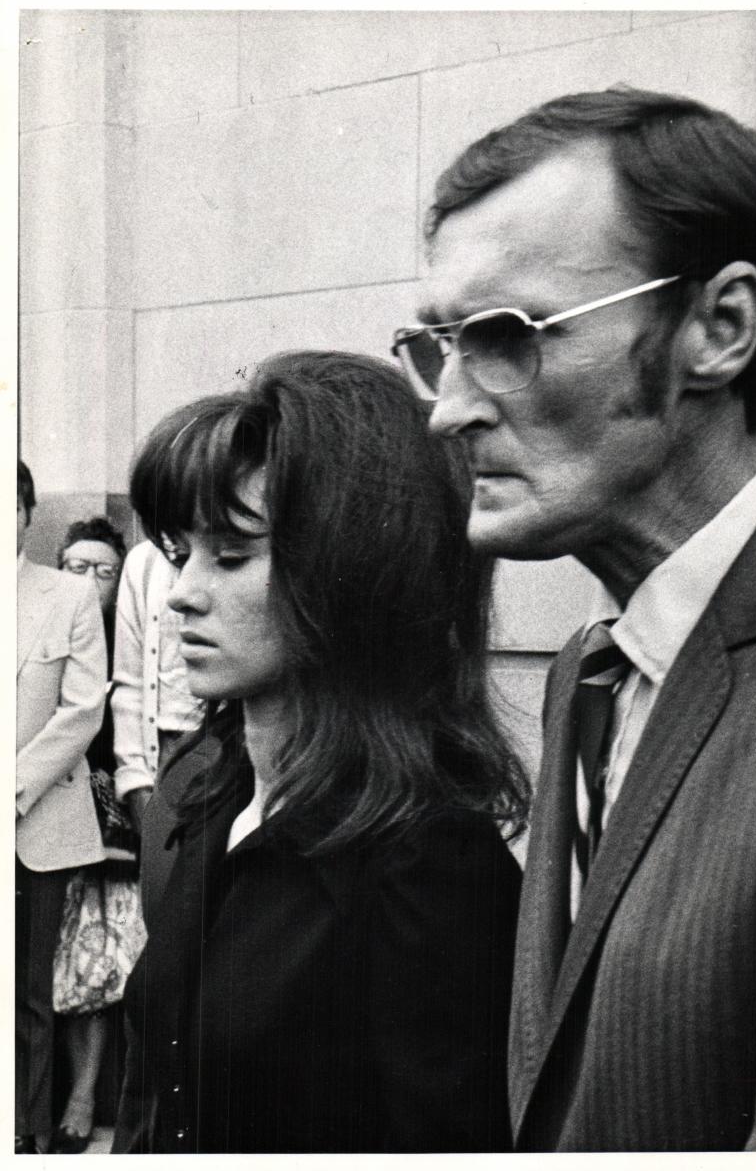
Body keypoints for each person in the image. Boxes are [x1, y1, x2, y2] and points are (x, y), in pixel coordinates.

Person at [393, 87, 756, 1150]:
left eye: (505, 334)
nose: (448, 406)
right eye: (437, 345)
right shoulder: (588, 670)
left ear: (721, 328)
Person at [113, 350, 528, 1153]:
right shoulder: (209, 796)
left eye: (231, 557)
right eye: (182, 555)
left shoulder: (431, 865)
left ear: (350, 578)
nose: (182, 594)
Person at [16, 463, 108, 1155]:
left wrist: (11, 790)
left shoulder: (67, 596)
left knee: (30, 996)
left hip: (33, 821)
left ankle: (30, 1136)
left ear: (25, 514)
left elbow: (82, 709)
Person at [51, 518, 143, 1154]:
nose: (88, 581)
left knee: (105, 962)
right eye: (77, 567)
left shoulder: (128, 641)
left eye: (103, 571)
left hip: (115, 826)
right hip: (47, 820)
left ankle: (86, 1097)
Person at [110, 538, 204, 923]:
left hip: (224, 745)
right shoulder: (144, 563)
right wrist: (135, 783)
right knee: (164, 917)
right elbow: (129, 681)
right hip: (161, 756)